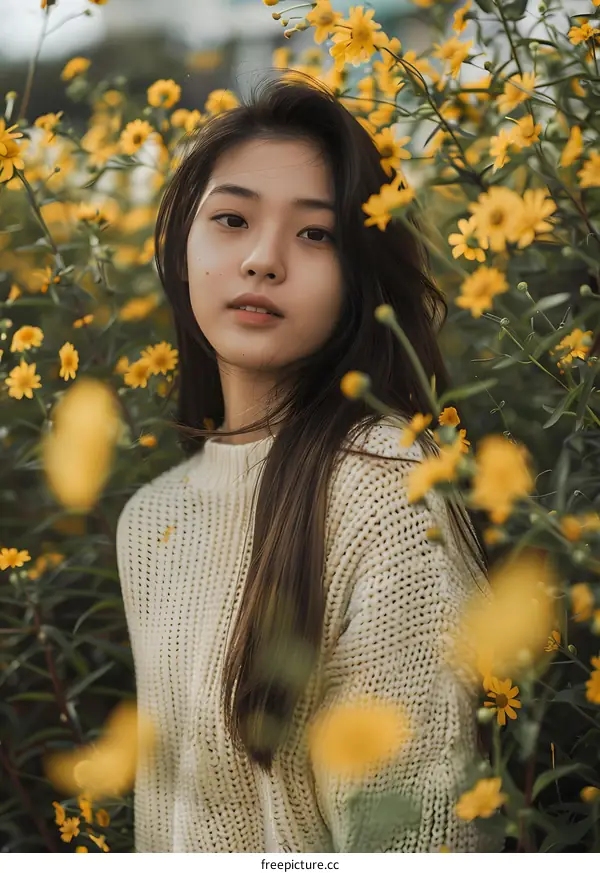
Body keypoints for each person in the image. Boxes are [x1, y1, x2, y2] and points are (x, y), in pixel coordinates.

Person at [116, 72, 503, 853]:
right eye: (231, 219)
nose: (263, 260)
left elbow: (419, 844)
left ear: (359, 273)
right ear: (183, 244)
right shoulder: (150, 518)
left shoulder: (389, 492)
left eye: (315, 234)